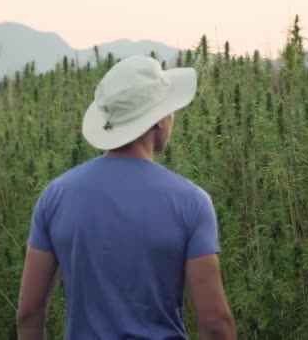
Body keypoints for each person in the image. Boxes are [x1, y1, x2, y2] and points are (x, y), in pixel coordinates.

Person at [17, 55, 236, 339]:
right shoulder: (191, 202)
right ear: (158, 120)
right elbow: (215, 321)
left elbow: (28, 312)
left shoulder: (55, 196)